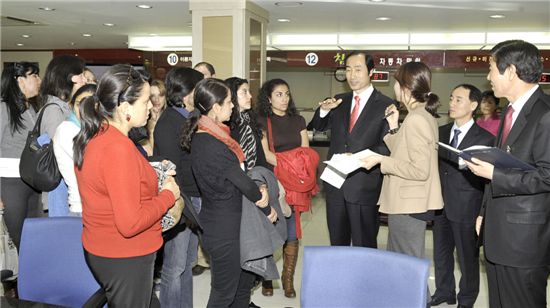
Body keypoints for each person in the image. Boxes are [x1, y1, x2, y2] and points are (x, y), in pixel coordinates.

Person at [73, 64, 180, 307]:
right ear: (124, 108)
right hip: (125, 255)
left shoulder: (99, 135)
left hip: (105, 248)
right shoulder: (117, 149)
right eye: (145, 101)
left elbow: (109, 186)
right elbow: (130, 223)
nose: (152, 106)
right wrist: (167, 195)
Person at [465, 40, 550, 308]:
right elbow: (502, 165)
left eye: (491, 68)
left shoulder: (545, 114)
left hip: (524, 242)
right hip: (499, 234)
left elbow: (547, 176)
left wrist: (494, 174)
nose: (488, 77)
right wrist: (483, 212)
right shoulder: (511, 111)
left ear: (511, 71)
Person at [181, 78, 276, 307]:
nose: (233, 106)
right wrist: (266, 207)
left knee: (243, 286)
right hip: (224, 229)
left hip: (234, 223)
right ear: (215, 107)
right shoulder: (210, 143)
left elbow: (238, 176)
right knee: (224, 293)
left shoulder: (216, 135)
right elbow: (239, 179)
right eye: (229, 102)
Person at [308, 51, 393, 248]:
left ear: (371, 71)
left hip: (364, 184)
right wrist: (324, 110)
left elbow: (387, 145)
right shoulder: (339, 100)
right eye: (348, 69)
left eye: (358, 69)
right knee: (337, 242)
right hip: (335, 184)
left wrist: (357, 158)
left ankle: (364, 279)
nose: (352, 75)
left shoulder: (386, 104)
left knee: (365, 243)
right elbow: (318, 127)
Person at [361, 61, 443, 261]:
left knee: (407, 265)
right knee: (405, 263)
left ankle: (420, 295)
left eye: (396, 82)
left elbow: (419, 170)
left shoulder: (416, 119)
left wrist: (381, 160)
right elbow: (405, 150)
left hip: (409, 206)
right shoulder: (422, 115)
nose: (394, 87)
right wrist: (393, 125)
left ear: (406, 87)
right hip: (412, 203)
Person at [430, 84, 494, 308]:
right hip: (440, 204)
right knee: (441, 253)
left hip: (468, 206)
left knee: (467, 258)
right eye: (451, 98)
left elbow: (487, 180)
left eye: (459, 100)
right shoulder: (441, 132)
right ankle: (444, 291)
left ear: (473, 105)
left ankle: (466, 299)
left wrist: (482, 212)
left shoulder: (485, 139)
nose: (452, 104)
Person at [256, 78, 318, 298]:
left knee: (292, 232)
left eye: (287, 94)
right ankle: (266, 277)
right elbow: (265, 155)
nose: (284, 99)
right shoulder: (262, 120)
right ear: (269, 97)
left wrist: (296, 170)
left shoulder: (298, 119)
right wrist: (290, 166)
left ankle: (287, 279)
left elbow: (305, 150)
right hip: (275, 181)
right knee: (270, 230)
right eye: (279, 94)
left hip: (295, 183)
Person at [153, 67, 203, 308]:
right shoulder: (169, 123)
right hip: (180, 202)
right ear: (186, 94)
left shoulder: (189, 119)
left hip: (193, 199)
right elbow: (172, 172)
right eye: (198, 90)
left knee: (188, 263)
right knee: (174, 266)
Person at [0, 62, 42, 250]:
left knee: (35, 239)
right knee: (20, 241)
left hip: (32, 181)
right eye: (34, 76)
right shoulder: (3, 109)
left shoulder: (29, 108)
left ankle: (34, 279)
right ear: (20, 80)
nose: (39, 80)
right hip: (10, 183)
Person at [52, 84, 96, 216]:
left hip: (96, 206)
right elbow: (90, 165)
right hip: (81, 207)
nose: (83, 110)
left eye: (89, 104)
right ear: (71, 105)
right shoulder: (67, 129)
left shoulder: (91, 130)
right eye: (79, 104)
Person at [225, 77, 268, 171]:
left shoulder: (251, 120)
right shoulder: (225, 125)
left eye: (249, 92)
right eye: (244, 92)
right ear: (231, 95)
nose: (250, 96)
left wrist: (264, 178)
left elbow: (260, 155)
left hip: (257, 177)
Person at [141, 79, 167, 156]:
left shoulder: (171, 118)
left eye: (161, 95)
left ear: (166, 97)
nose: (157, 100)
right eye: (153, 96)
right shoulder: (142, 119)